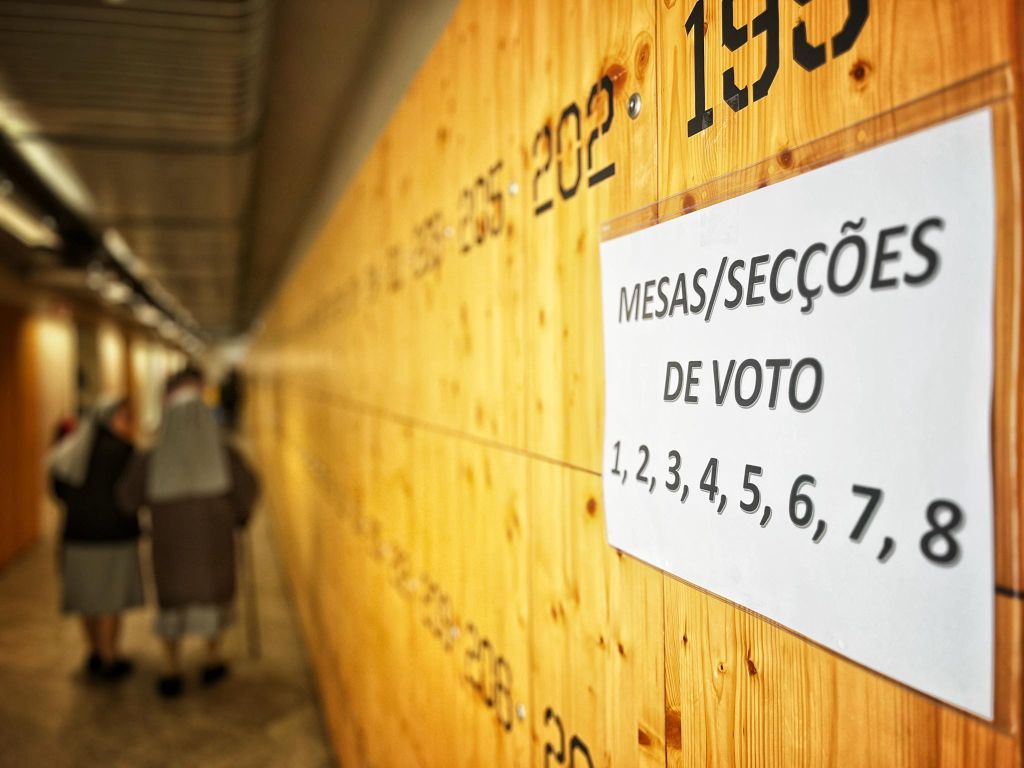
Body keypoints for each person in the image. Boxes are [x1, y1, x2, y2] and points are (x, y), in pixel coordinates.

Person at [118, 367, 259, 698]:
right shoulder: (224, 452)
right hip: (214, 542)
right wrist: (239, 517)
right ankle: (212, 660)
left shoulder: (152, 456)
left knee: (172, 603)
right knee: (214, 599)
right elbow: (248, 489)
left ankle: (171, 667)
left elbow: (127, 497)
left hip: (170, 544)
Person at [48, 396, 143, 680]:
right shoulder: (126, 451)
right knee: (110, 600)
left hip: (77, 535)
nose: (129, 424)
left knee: (87, 599)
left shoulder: (69, 450)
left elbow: (58, 491)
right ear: (109, 419)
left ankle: (95, 652)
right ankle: (110, 656)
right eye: (125, 417)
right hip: (115, 536)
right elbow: (135, 493)